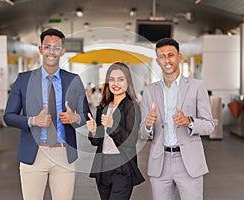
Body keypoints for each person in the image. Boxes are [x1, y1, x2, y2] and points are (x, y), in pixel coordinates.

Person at [3, 28, 90, 200]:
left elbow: (85, 114)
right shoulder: (24, 80)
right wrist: (33, 120)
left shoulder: (73, 80)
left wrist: (76, 118)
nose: (52, 52)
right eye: (47, 47)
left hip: (64, 154)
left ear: (62, 51)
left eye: (56, 48)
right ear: (40, 49)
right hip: (34, 155)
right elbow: (8, 116)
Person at [139, 38, 214, 200]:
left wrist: (189, 122)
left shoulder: (196, 87)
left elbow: (209, 125)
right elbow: (142, 133)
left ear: (179, 57)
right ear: (157, 61)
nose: (167, 60)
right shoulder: (150, 91)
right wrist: (147, 125)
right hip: (160, 162)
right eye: (162, 56)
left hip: (189, 161)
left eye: (170, 55)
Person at [86, 62, 145, 200]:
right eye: (112, 79)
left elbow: (131, 141)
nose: (115, 83)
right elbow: (97, 142)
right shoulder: (103, 107)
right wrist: (94, 131)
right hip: (103, 166)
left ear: (127, 81)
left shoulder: (131, 107)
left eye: (121, 79)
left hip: (122, 167)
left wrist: (112, 126)